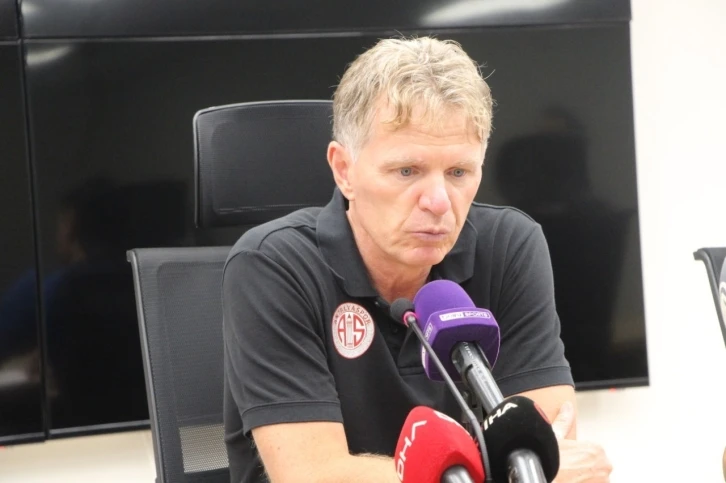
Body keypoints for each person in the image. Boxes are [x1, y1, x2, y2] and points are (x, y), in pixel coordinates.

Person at [222, 36, 613, 482]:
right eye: (407, 171)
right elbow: (312, 475)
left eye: (459, 172)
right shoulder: (272, 265)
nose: (439, 201)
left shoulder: (509, 246)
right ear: (344, 170)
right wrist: (490, 472)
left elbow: (549, 450)